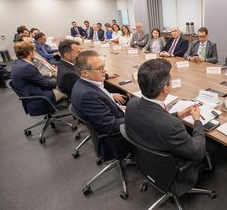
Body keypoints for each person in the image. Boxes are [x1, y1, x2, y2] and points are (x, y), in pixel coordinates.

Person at [124, 58, 207, 196]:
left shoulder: (132, 104)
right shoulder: (172, 126)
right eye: (171, 80)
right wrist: (197, 121)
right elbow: (198, 152)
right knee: (212, 148)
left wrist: (178, 115)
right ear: (165, 88)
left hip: (145, 163)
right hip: (172, 172)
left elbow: (155, 121)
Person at [71, 51, 127, 135]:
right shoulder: (88, 96)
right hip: (118, 136)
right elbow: (111, 126)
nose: (105, 70)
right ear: (85, 73)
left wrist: (120, 107)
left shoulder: (84, 83)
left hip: (116, 113)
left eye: (103, 67)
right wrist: (133, 116)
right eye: (100, 68)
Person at [10, 41, 66, 115]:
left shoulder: (18, 63)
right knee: (68, 88)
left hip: (32, 95)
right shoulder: (27, 67)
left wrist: (52, 76)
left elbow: (38, 78)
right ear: (30, 52)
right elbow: (46, 85)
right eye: (34, 51)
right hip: (40, 98)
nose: (35, 53)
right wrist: (61, 81)